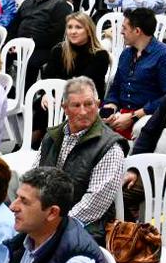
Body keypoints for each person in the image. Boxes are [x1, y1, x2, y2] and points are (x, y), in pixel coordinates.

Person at [37, 76, 130, 241]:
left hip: (87, 227)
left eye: (89, 104)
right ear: (64, 108)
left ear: (98, 104)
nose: (83, 111)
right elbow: (35, 180)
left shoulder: (110, 147)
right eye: (76, 105)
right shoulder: (52, 136)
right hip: (50, 215)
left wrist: (54, 225)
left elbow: (94, 204)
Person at [104, 7, 166, 132]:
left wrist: (135, 116)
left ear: (137, 31)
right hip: (121, 114)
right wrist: (110, 107)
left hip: (148, 117)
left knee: (138, 128)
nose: (121, 32)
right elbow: (116, 87)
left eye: (124, 28)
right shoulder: (126, 54)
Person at [42, 10, 112, 93]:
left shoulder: (100, 55)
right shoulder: (59, 50)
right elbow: (47, 79)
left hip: (86, 100)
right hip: (58, 97)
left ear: (89, 31)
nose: (73, 32)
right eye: (69, 27)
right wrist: (46, 94)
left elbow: (83, 85)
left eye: (78, 27)